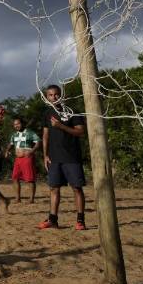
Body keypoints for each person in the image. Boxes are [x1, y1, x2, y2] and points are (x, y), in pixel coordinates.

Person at [39, 84, 86, 230]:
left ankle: (80, 220)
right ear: (47, 98)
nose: (54, 97)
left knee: (76, 188)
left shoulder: (73, 112)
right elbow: (45, 135)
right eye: (51, 95)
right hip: (54, 158)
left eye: (57, 94)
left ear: (62, 95)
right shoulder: (47, 113)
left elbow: (80, 132)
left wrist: (61, 126)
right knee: (54, 189)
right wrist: (45, 155)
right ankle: (53, 219)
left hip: (72, 157)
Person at [9, 117, 40, 204]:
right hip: (18, 159)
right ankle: (18, 198)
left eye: (18, 124)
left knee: (30, 179)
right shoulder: (14, 135)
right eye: (15, 124)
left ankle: (31, 199)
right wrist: (7, 150)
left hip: (27, 158)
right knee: (15, 178)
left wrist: (32, 151)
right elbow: (11, 144)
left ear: (22, 123)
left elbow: (38, 142)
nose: (16, 126)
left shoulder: (30, 133)